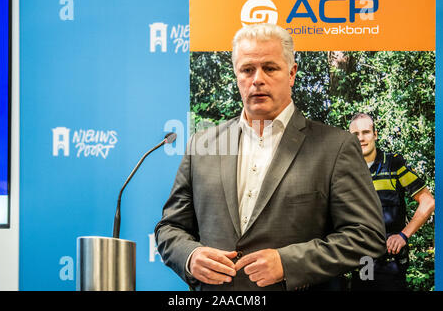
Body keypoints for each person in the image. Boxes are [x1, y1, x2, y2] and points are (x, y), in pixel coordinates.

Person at [155, 23, 386, 291]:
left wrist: (289, 263)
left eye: (270, 68)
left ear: (292, 73)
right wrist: (190, 256)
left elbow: (367, 236)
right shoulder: (202, 144)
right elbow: (169, 228)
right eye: (247, 70)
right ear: (236, 74)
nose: (257, 79)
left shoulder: (335, 146)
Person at [349, 113, 435, 290]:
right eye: (355, 134)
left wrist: (403, 235)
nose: (361, 138)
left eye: (366, 132)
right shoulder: (346, 171)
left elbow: (428, 201)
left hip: (390, 262)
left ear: (375, 134)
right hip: (362, 261)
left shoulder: (393, 164)